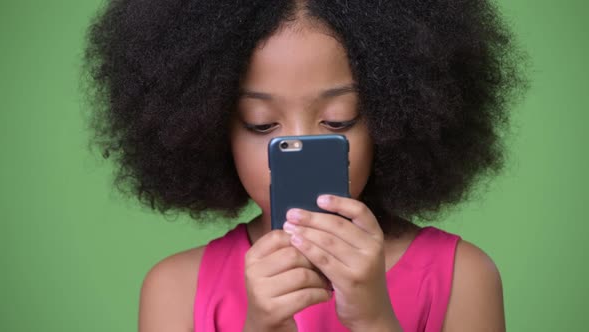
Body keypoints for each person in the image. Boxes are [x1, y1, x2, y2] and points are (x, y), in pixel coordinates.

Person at [82, 0, 528, 331]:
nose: (301, 141)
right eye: (260, 124)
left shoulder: (464, 277)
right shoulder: (174, 289)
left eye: (339, 120)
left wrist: (374, 318)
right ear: (210, 127)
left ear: (393, 119)